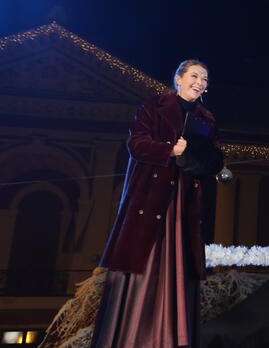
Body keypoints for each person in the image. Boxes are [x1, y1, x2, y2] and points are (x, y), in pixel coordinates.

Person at [92, 59, 224, 347]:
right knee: (145, 261)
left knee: (179, 265)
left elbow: (214, 160)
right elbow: (136, 144)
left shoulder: (207, 119)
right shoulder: (154, 106)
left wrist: (188, 155)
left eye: (204, 78)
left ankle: (172, 337)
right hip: (151, 198)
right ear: (178, 78)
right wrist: (169, 150)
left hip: (184, 204)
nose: (200, 82)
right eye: (194, 75)